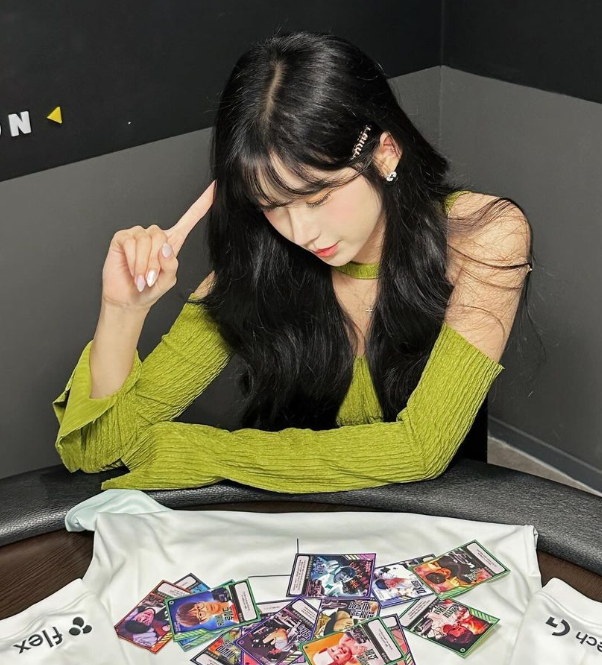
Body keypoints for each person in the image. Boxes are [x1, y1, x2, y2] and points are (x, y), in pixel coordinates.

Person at [52, 29, 535, 493]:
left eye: (317, 197)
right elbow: (102, 452)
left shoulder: (484, 235)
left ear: (385, 153)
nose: (300, 233)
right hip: (291, 517)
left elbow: (422, 449)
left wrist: (204, 454)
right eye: (271, 205)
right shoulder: (257, 264)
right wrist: (122, 310)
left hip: (438, 517)